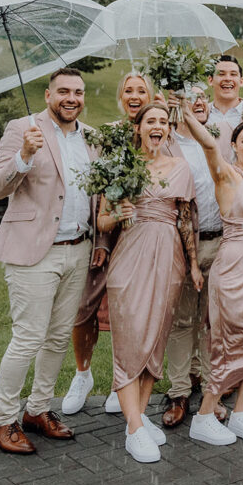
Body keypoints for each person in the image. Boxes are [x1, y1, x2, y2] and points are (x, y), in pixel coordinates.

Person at [0, 67, 107, 455]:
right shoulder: (21, 128)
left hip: (78, 250)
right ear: (47, 95)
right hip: (33, 252)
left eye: (78, 92)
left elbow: (97, 196)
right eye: (64, 92)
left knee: (56, 338)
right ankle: (3, 419)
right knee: (28, 338)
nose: (72, 98)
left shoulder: (92, 137)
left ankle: (39, 410)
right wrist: (24, 155)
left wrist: (99, 240)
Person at [96, 103, 199, 463]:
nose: (157, 126)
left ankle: (134, 420)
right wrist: (118, 214)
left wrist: (194, 266)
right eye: (149, 121)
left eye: (162, 122)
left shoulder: (180, 168)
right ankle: (137, 430)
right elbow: (102, 221)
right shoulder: (122, 168)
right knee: (129, 342)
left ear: (168, 131)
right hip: (129, 258)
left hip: (168, 258)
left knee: (155, 339)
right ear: (138, 128)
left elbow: (185, 218)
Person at [180, 98, 243, 446]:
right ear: (233, 146)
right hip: (234, 266)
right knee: (230, 342)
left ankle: (240, 414)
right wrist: (186, 112)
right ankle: (205, 416)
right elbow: (208, 143)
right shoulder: (226, 174)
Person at [62, 72, 153, 416]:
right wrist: (101, 238)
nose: (134, 95)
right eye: (128, 90)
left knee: (127, 311)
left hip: (143, 235)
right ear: (120, 97)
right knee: (83, 307)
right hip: (105, 231)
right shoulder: (106, 137)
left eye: (141, 90)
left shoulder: (158, 131)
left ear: (150, 97)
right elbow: (96, 189)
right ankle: (82, 375)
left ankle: (122, 380)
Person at [159, 86, 228, 427]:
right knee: (184, 319)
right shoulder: (169, 142)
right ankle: (179, 391)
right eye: (191, 97)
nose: (200, 102)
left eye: (204, 96)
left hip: (223, 243)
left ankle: (210, 389)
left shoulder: (219, 140)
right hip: (184, 242)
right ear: (180, 104)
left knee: (214, 321)